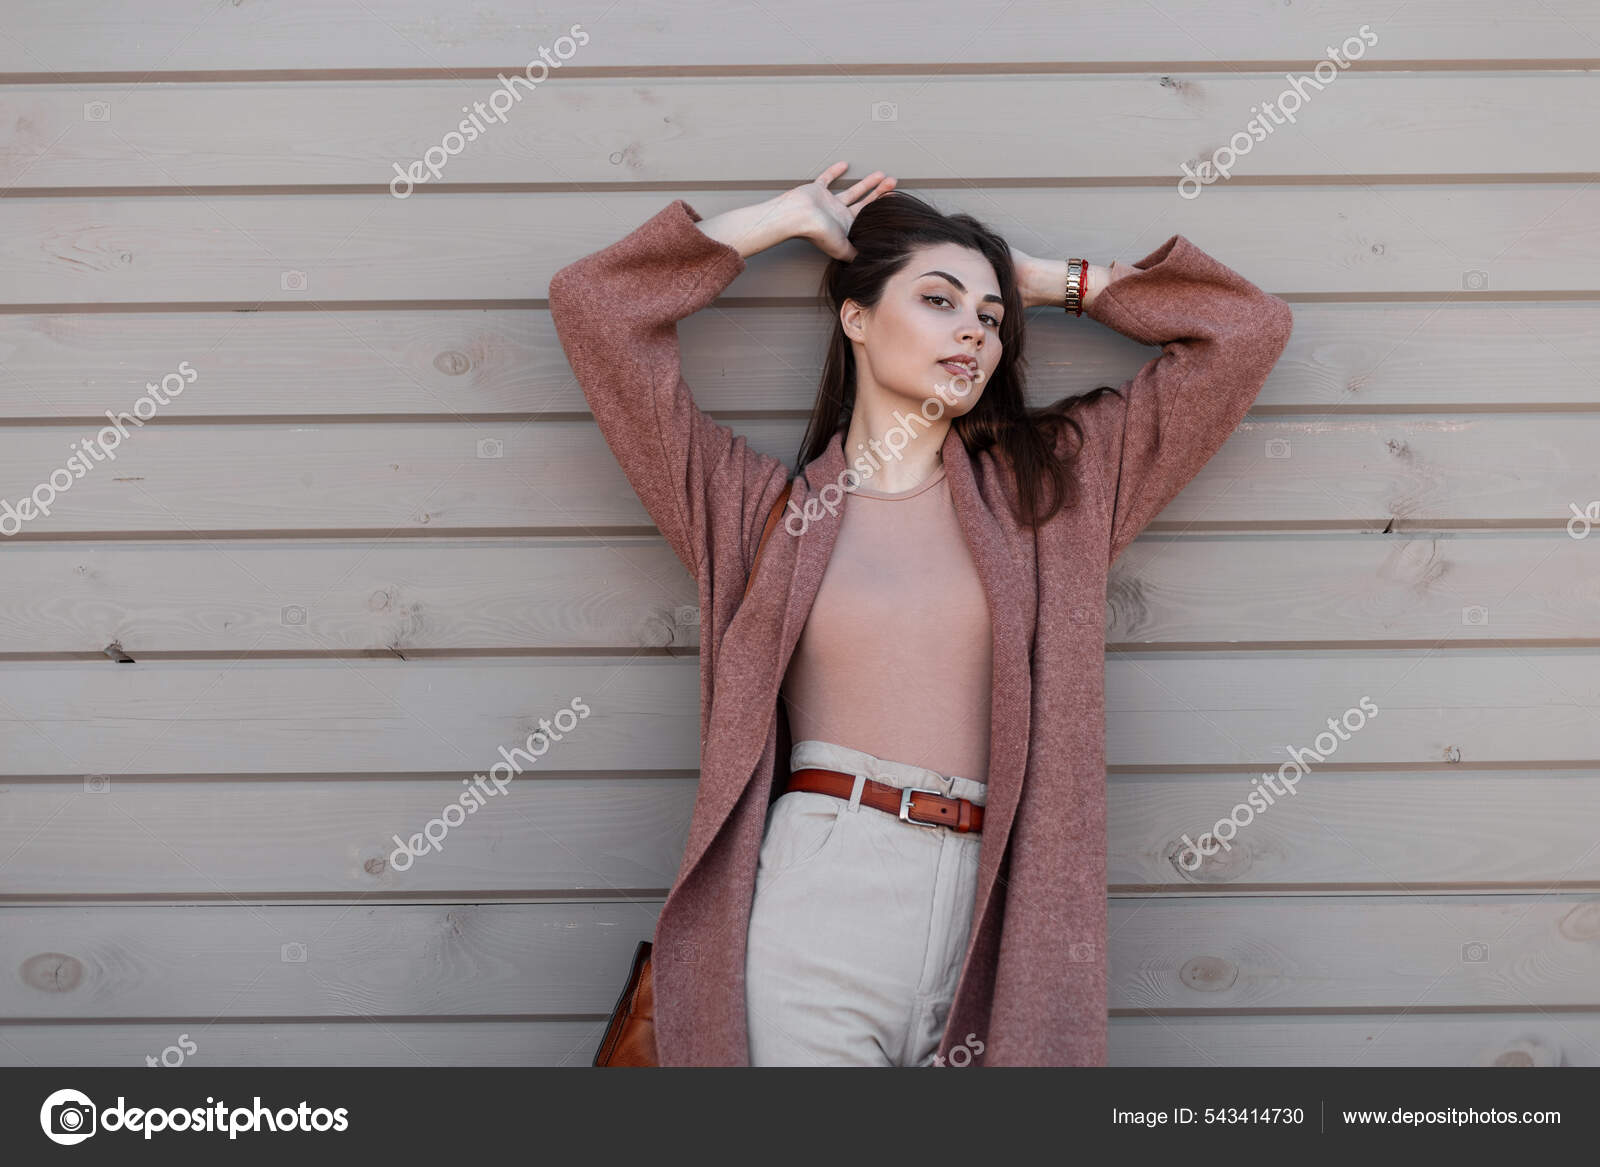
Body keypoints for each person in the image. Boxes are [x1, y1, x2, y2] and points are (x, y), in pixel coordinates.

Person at [549, 162, 1294, 1066]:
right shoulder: (757, 515)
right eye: (938, 302)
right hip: (819, 897)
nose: (972, 333)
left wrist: (1041, 281)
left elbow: (1246, 329)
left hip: (997, 913)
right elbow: (595, 307)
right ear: (855, 318)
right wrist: (782, 220)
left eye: (989, 319)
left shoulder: (1055, 496)